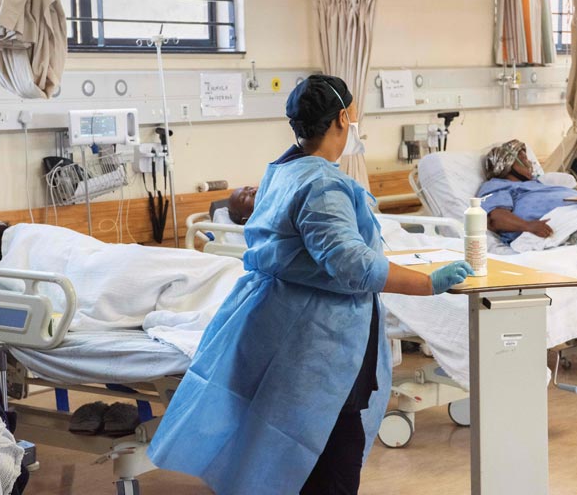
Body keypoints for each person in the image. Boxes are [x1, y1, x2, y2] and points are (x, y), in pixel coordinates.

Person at [146, 74, 474, 495]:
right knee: (331, 459)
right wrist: (428, 283)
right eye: (353, 115)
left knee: (292, 456)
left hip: (283, 322)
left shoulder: (283, 170)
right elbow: (352, 265)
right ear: (342, 119)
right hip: (319, 340)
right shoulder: (322, 184)